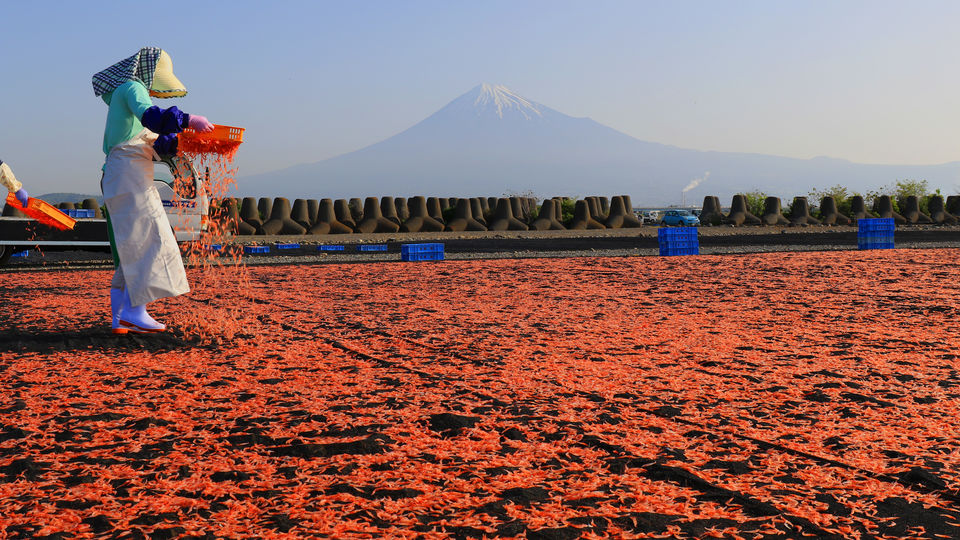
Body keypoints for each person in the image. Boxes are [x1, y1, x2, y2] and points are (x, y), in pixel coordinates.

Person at [92, 47, 214, 334]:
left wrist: (176, 142)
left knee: (130, 244)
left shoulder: (124, 93)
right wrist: (187, 119)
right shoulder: (132, 88)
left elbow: (150, 140)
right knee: (152, 238)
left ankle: (120, 316)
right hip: (128, 174)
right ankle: (136, 311)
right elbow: (152, 117)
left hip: (125, 173)